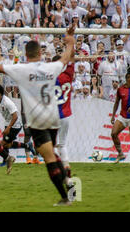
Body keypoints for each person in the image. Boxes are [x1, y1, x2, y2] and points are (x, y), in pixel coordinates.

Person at [0, 24, 76, 206]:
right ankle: (69, 182)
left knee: (48, 157)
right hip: (54, 118)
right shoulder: (51, 67)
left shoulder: (22, 69)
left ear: (26, 55)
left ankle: (67, 196)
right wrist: (70, 40)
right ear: (40, 54)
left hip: (37, 121)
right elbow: (66, 58)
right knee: (49, 152)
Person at [0, 84, 36, 165]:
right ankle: (27, 146)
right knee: (7, 144)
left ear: (0, 93)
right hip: (8, 123)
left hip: (16, 124)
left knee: (3, 143)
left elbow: (15, 116)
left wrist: (8, 128)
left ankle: (6, 160)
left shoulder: (7, 102)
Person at [52, 52, 75, 181]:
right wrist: (70, 38)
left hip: (52, 115)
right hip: (65, 115)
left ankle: (58, 167)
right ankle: (66, 165)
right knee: (63, 144)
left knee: (51, 145)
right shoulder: (68, 75)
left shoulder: (49, 77)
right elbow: (72, 56)